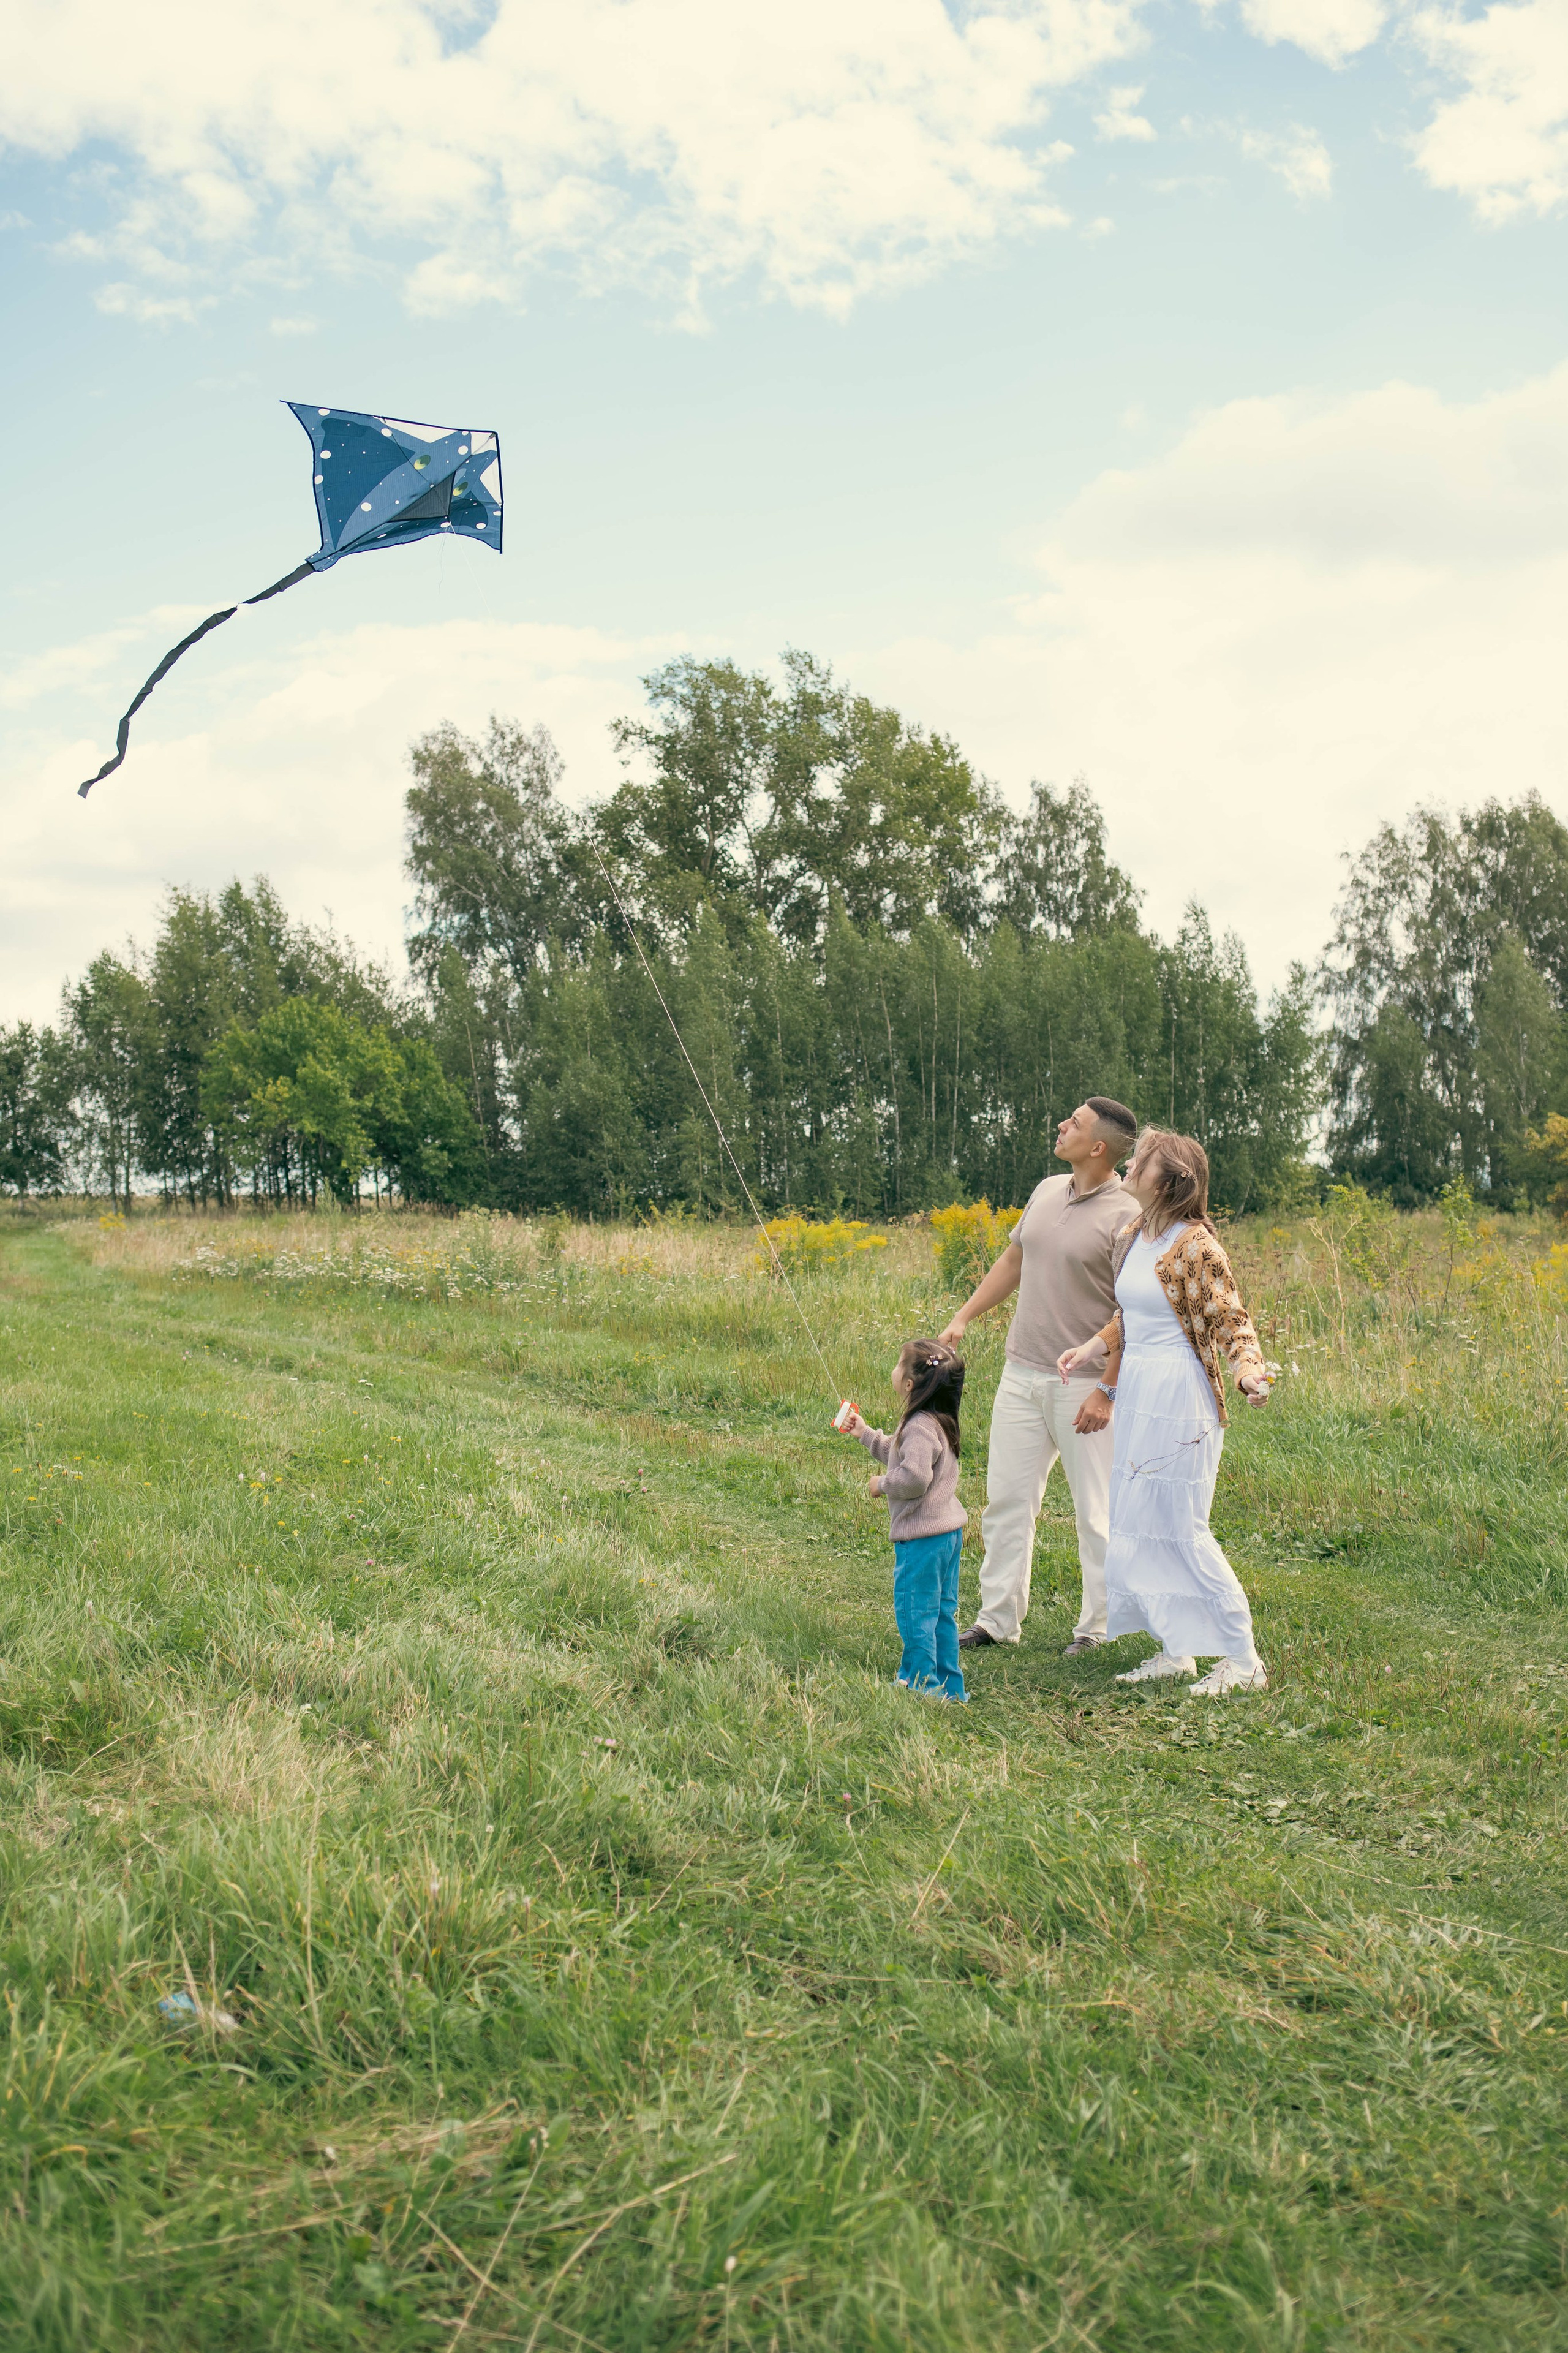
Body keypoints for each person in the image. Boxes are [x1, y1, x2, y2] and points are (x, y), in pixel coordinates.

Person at [1057, 1128, 1272, 1698]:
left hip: (1181, 1395)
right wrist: (1092, 1347)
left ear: (1169, 1179)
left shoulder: (1197, 1244)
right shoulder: (1133, 1234)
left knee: (1182, 1528)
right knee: (1140, 1525)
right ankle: (1175, 1651)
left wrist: (1249, 1369)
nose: (1129, 1165)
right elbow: (1137, 1315)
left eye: (1143, 1160)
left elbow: (1230, 1317)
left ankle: (1243, 1657)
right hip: (1140, 1392)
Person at [937, 1097, 1137, 1656]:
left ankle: (1096, 1629)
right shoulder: (1047, 1189)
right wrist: (964, 1316)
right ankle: (997, 1621)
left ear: (1099, 1146)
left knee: (1095, 1513)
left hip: (1086, 1385)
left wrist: (1108, 1388)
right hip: (1021, 1372)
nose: (1061, 1125)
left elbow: (1134, 1313)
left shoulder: (1127, 1214)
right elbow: (1013, 1262)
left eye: (1073, 1123)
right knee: (1005, 1501)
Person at [843, 1340, 968, 1702]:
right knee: (942, 1612)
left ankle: (918, 1685)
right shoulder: (933, 1420)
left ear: (910, 1383)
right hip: (946, 1534)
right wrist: (865, 1433)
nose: (894, 1370)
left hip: (923, 1540)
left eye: (900, 1365)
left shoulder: (919, 1427)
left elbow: (913, 1477)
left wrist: (882, 1485)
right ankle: (949, 1687)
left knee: (916, 1610)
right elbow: (901, 1455)